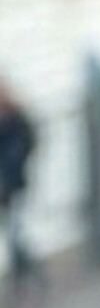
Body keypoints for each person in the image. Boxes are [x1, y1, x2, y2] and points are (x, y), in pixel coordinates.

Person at [0, 78, 40, 289]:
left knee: (16, 234)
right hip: (6, 187)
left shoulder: (16, 118)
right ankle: (26, 274)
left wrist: (15, 163)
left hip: (16, 184)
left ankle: (27, 274)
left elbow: (29, 143)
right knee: (14, 233)